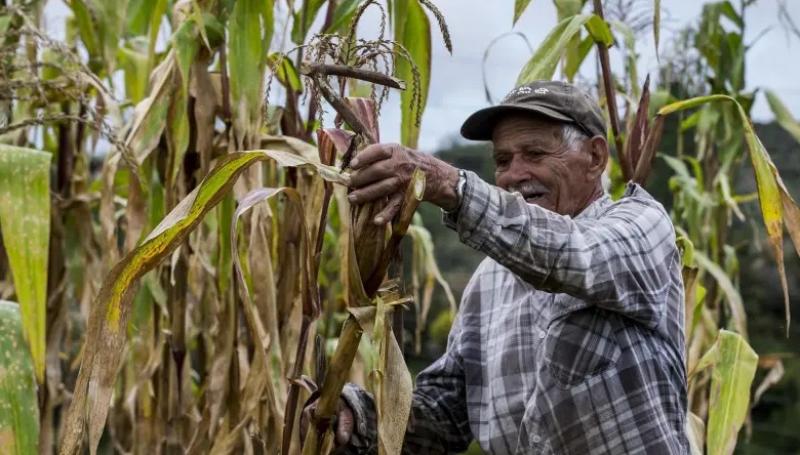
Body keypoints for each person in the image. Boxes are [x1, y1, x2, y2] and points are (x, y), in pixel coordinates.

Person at [304, 80, 688, 454]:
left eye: (535, 154)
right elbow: (445, 414)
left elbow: (575, 255)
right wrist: (360, 416)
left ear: (595, 157)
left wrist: (449, 185)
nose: (513, 175)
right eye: (503, 160)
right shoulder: (489, 281)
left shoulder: (642, 226)